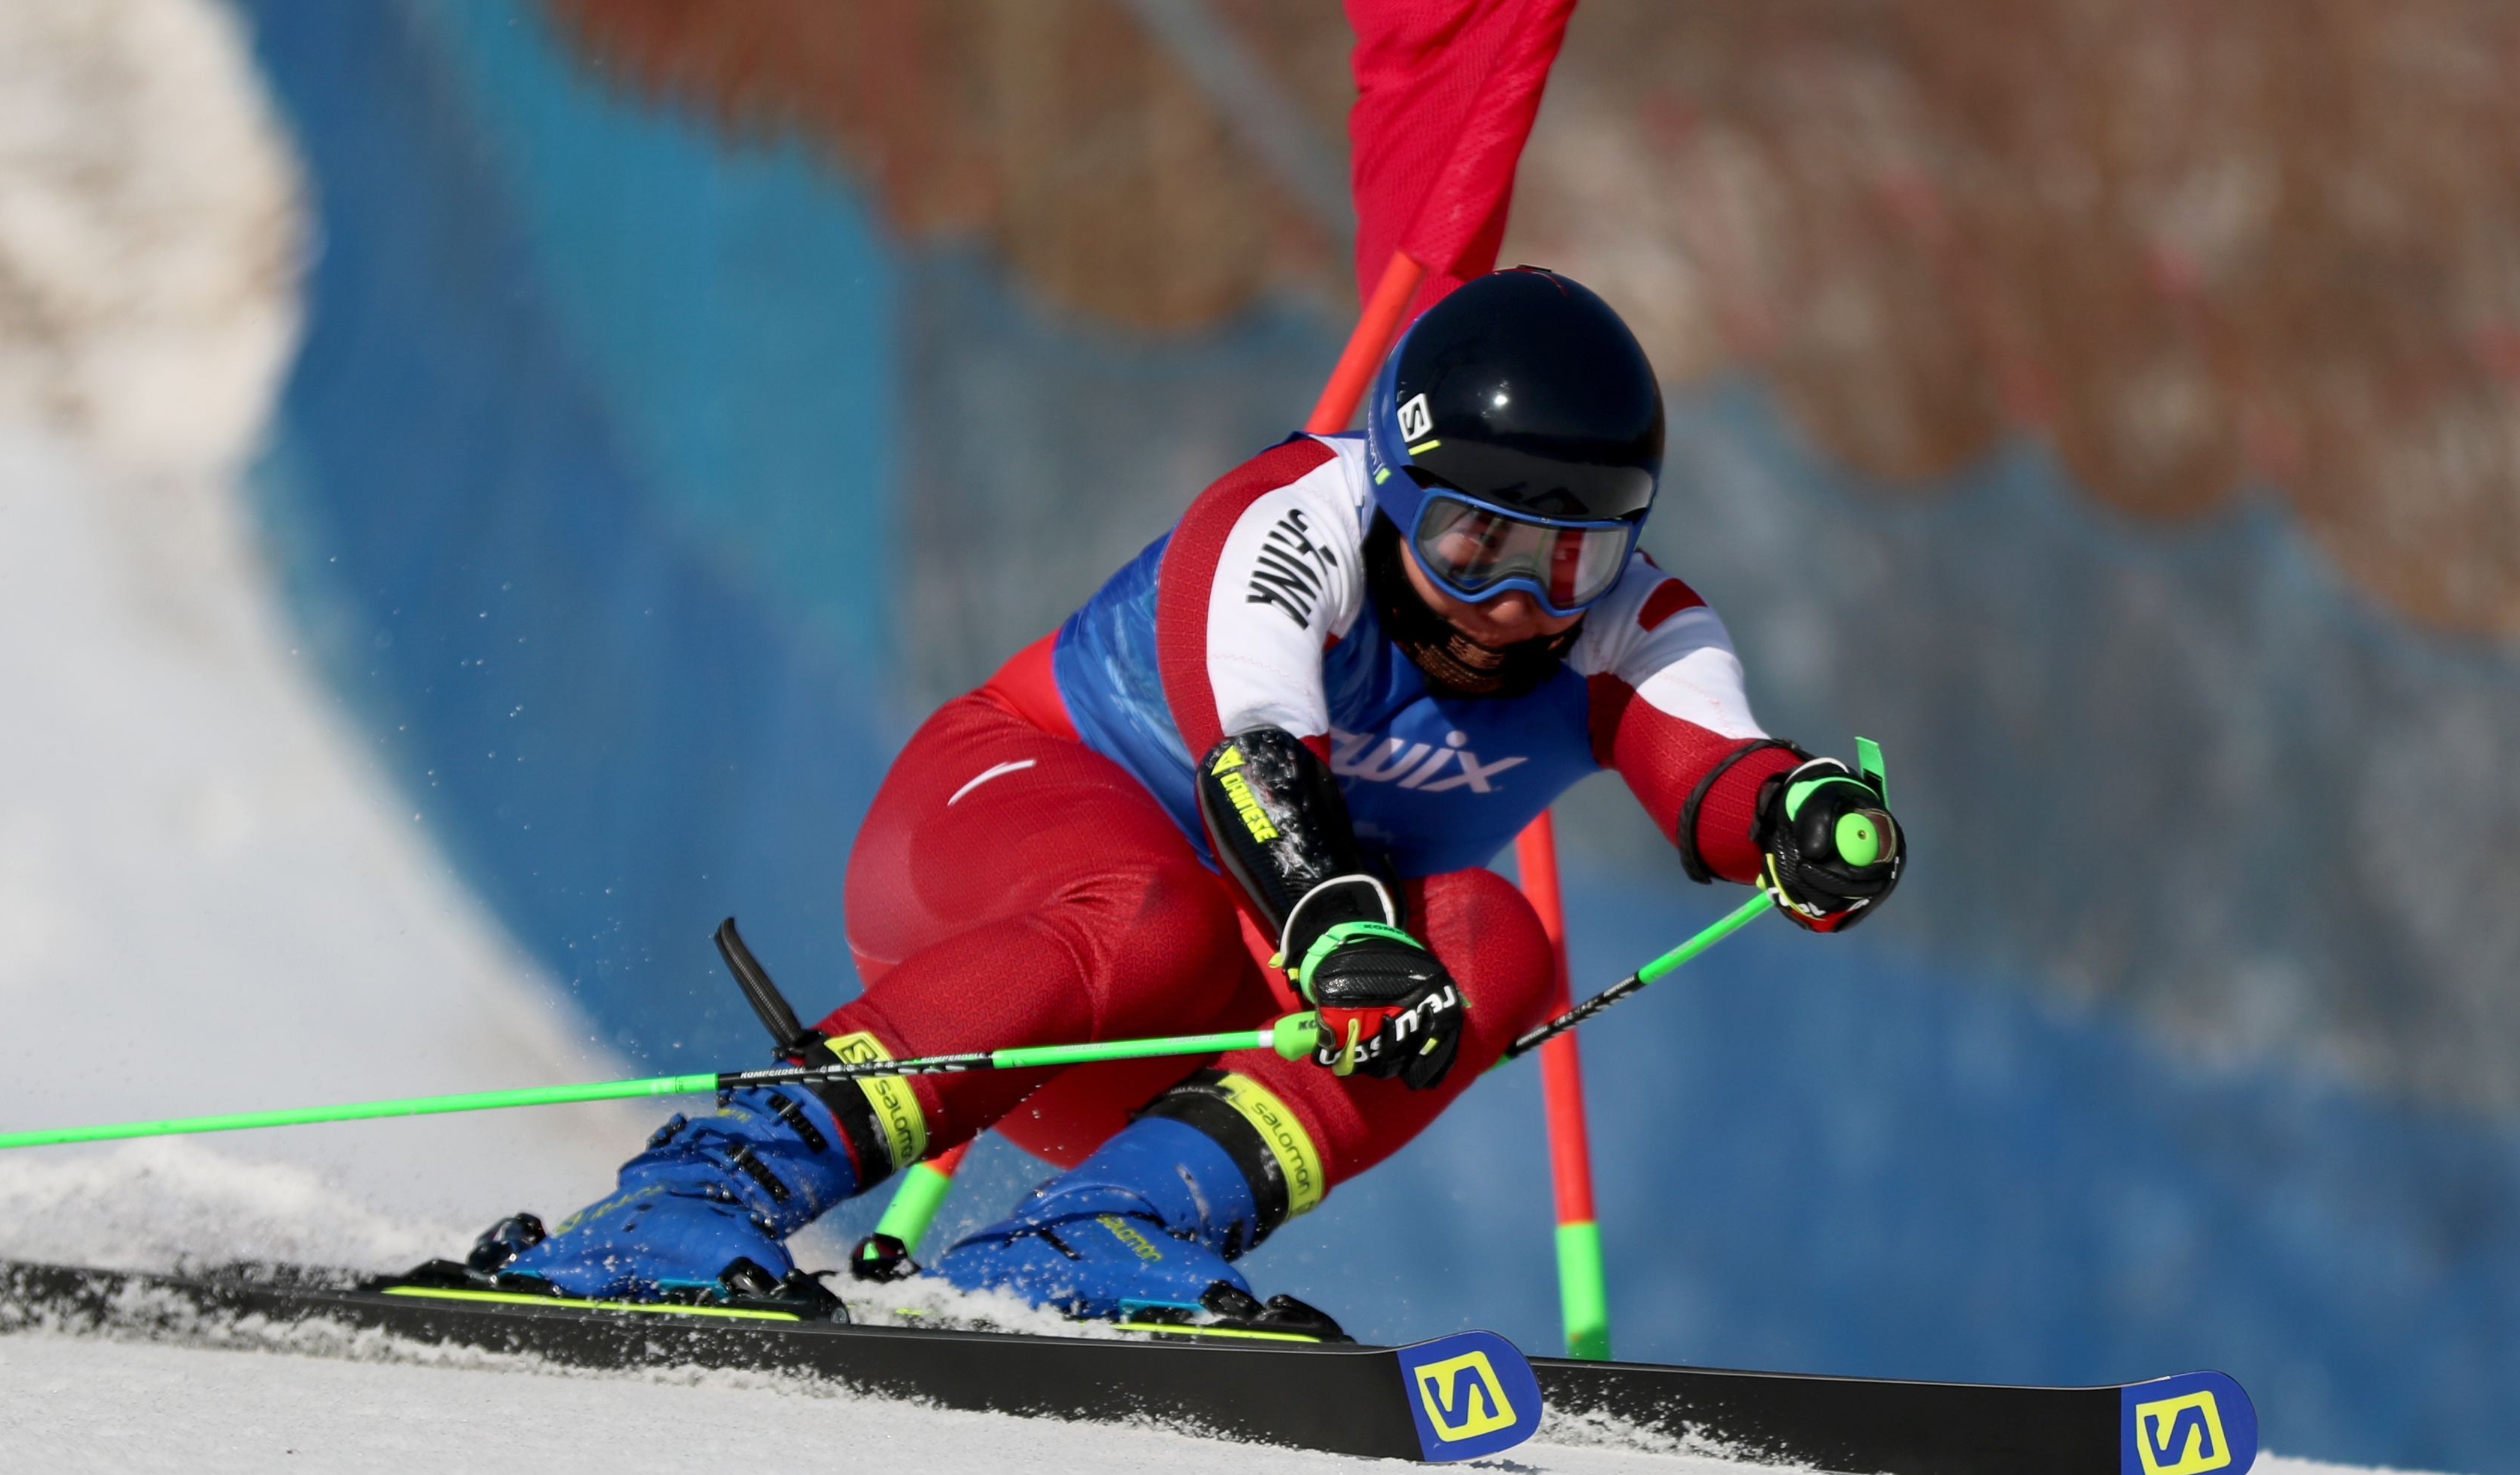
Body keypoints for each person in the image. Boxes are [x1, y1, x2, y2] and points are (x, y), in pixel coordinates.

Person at [492, 267, 1905, 1330]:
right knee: (1159, 909)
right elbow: (1256, 761)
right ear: (1401, 492)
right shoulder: (1290, 529)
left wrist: (1795, 820)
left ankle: (1093, 1238)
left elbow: (1712, 762)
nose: (1519, 603)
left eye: (1572, 561)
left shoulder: (1631, 625)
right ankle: (696, 1190)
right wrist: (1343, 933)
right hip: (990, 869)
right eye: (1474, 542)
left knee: (1497, 947)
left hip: (1207, 1009)